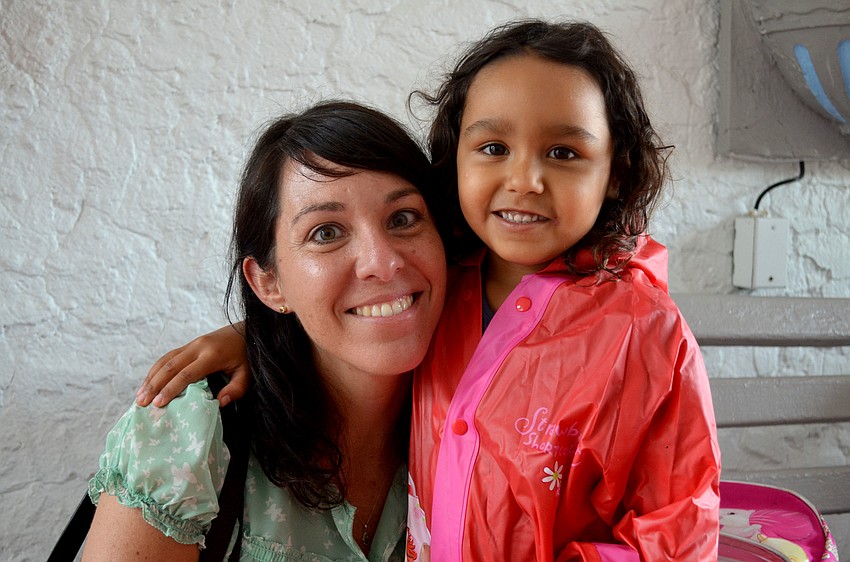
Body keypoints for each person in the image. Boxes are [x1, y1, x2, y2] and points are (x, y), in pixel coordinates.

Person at [137, 20, 721, 561]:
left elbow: (676, 528)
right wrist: (250, 336)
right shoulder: (444, 286)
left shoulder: (646, 332)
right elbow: (353, 318)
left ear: (615, 170)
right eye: (494, 148)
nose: (524, 180)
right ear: (456, 159)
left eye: (564, 152)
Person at [82, 101, 447, 562]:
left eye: (402, 218)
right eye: (327, 232)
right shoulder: (193, 434)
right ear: (268, 283)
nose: (383, 261)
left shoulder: (480, 430)